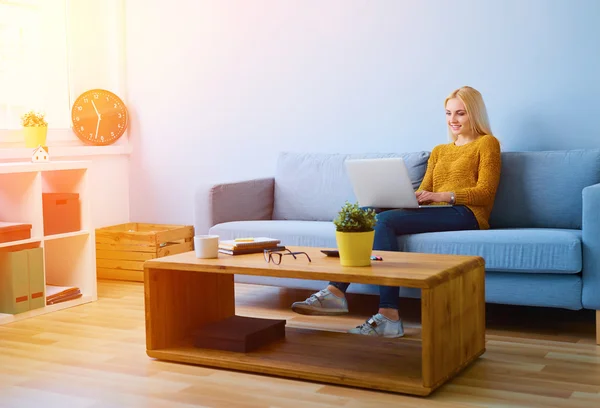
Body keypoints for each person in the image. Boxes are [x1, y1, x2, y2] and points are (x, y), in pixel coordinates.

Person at [291, 86, 502, 338]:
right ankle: (336, 292)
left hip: (466, 213)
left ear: (474, 114)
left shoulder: (487, 144)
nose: (452, 120)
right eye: (448, 113)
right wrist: (409, 198)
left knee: (384, 222)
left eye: (460, 114)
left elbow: (486, 192)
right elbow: (426, 190)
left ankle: (389, 314)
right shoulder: (440, 150)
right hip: (436, 210)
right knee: (365, 212)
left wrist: (444, 196)